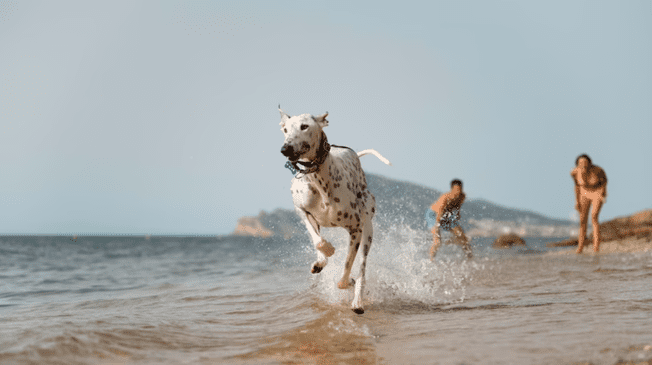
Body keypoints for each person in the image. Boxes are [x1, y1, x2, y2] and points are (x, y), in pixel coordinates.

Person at [571, 154, 607, 253]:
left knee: (594, 216)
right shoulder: (574, 172)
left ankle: (596, 247)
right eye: (580, 163)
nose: (583, 165)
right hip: (584, 192)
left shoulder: (598, 170)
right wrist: (577, 202)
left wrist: (603, 194)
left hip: (597, 191)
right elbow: (577, 187)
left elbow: (604, 182)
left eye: (585, 162)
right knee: (582, 220)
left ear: (590, 163)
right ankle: (580, 247)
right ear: (577, 164)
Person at [429, 179, 472, 260]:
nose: (458, 192)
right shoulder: (445, 198)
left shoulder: (462, 196)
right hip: (433, 214)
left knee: (463, 237)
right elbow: (439, 214)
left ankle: (470, 258)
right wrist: (437, 228)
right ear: (452, 189)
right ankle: (431, 260)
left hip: (446, 216)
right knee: (437, 241)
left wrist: (457, 216)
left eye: (459, 189)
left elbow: (457, 207)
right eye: (456, 190)